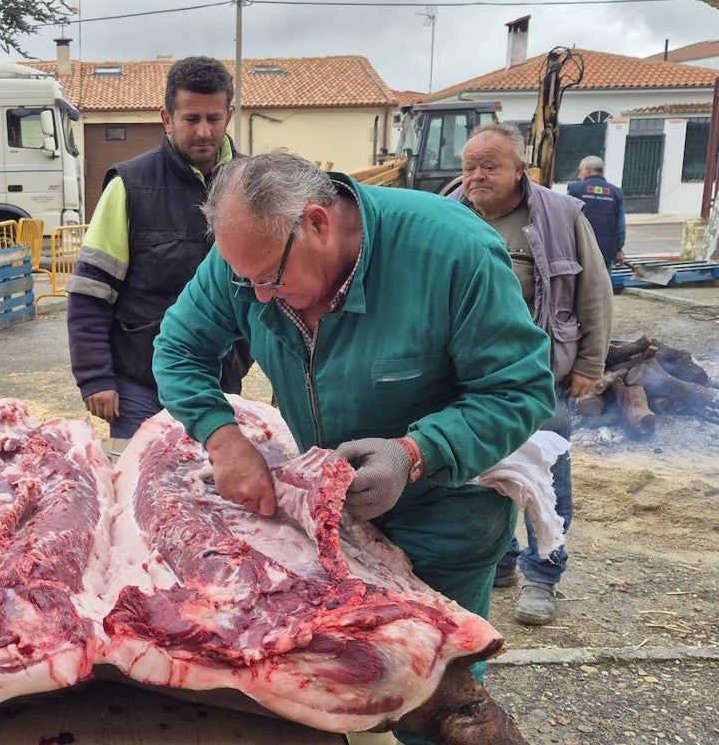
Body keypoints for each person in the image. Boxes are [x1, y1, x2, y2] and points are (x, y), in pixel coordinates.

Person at [153, 151, 554, 745]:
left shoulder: (451, 250)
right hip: (334, 509)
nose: (259, 299)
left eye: (270, 279)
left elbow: (517, 389)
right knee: (341, 679)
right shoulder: (248, 259)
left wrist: (415, 453)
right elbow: (179, 348)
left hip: (446, 507)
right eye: (246, 282)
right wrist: (221, 435)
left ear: (317, 222)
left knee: (430, 688)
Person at [450, 124, 613, 626]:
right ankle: (498, 560)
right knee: (479, 475)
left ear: (521, 169)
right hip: (469, 378)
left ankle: (543, 575)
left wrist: (589, 363)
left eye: (489, 166)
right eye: (469, 165)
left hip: (539, 375)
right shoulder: (447, 213)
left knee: (544, 477)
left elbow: (595, 291)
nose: (475, 176)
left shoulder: (561, 216)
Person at [67, 56, 251, 446]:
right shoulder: (129, 185)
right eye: (191, 119)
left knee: (215, 497)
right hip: (140, 384)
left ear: (229, 116)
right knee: (145, 495)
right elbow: (90, 292)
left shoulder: (254, 186)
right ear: (166, 118)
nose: (204, 131)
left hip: (222, 381)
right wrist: (95, 377)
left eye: (214, 118)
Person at [567, 155, 626, 272]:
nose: (579, 175)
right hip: (606, 251)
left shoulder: (575, 189)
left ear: (588, 170)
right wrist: (618, 249)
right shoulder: (616, 192)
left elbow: (567, 219)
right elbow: (620, 224)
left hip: (580, 249)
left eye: (581, 171)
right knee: (604, 286)